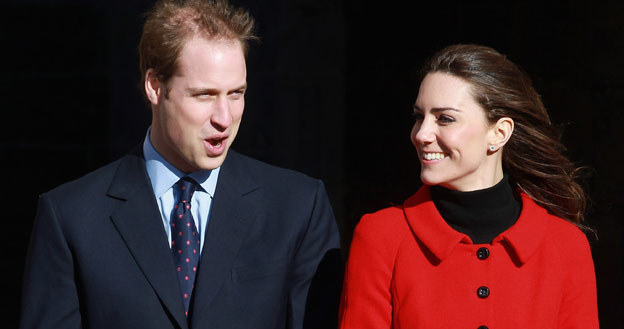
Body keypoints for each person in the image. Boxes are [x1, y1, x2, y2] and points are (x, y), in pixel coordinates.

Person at [20, 1, 340, 328]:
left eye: (236, 93)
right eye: (204, 95)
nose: (224, 118)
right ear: (155, 86)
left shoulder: (298, 208)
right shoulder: (70, 217)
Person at [338, 44, 598, 329]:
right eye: (418, 117)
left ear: (499, 133)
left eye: (445, 119)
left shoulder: (566, 246)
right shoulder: (381, 237)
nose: (422, 134)